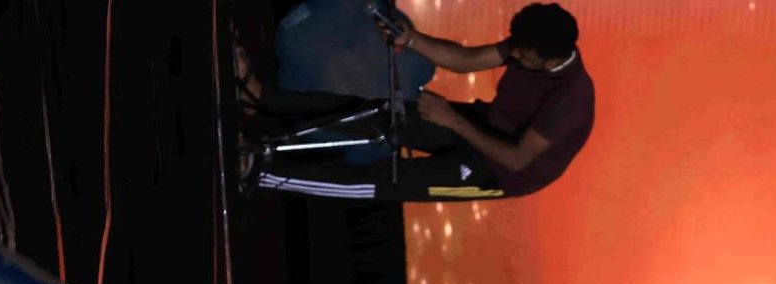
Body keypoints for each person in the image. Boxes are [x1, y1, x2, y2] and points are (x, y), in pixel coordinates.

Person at [246, 3, 593, 202]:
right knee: (376, 113)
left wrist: (453, 120)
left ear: (550, 61)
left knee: (381, 181)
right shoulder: (534, 46)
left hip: (501, 172)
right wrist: (411, 39)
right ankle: (261, 97)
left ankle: (257, 172)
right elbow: (467, 59)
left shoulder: (569, 99)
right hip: (487, 125)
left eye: (521, 55)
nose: (513, 55)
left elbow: (517, 159)